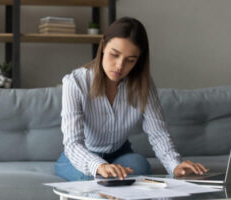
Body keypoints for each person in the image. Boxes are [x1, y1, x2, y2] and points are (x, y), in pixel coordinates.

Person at [55, 17, 208, 181]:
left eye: (130, 60)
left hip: (120, 153)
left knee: (140, 166)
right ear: (103, 47)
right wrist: (99, 166)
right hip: (82, 154)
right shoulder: (75, 82)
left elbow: (158, 133)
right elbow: (73, 144)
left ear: (138, 61)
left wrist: (175, 165)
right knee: (92, 177)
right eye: (114, 55)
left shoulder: (143, 85)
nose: (120, 66)